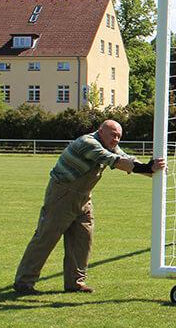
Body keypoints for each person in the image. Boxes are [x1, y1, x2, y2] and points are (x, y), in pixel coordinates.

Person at [12, 120, 166, 295]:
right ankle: (24, 282)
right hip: (62, 195)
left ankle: (75, 283)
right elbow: (113, 160)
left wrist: (154, 172)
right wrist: (147, 168)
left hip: (84, 198)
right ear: (100, 131)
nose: (116, 140)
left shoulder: (110, 145)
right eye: (113, 135)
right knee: (45, 238)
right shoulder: (88, 143)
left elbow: (127, 159)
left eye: (119, 137)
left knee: (83, 240)